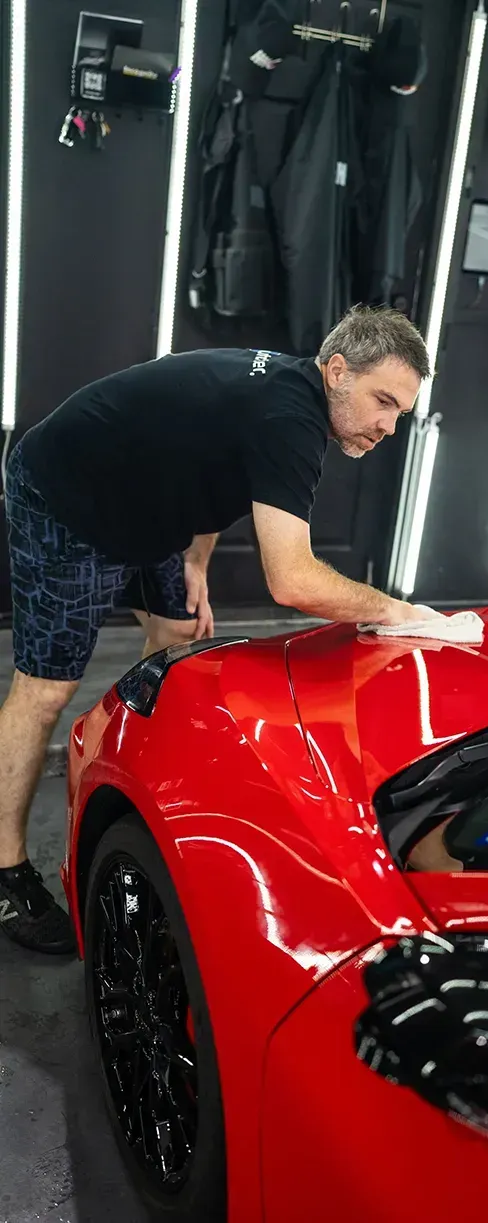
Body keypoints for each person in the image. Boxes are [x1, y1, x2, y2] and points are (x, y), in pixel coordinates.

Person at [0, 305, 433, 954]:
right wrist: (400, 611)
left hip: (144, 502)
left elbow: (209, 458)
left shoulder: (287, 398)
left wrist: (195, 560)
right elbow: (291, 581)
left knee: (178, 634)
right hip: (67, 496)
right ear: (336, 369)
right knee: (45, 692)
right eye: (382, 401)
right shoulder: (289, 417)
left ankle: (124, 776)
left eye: (400, 411)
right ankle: (6, 874)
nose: (387, 426)